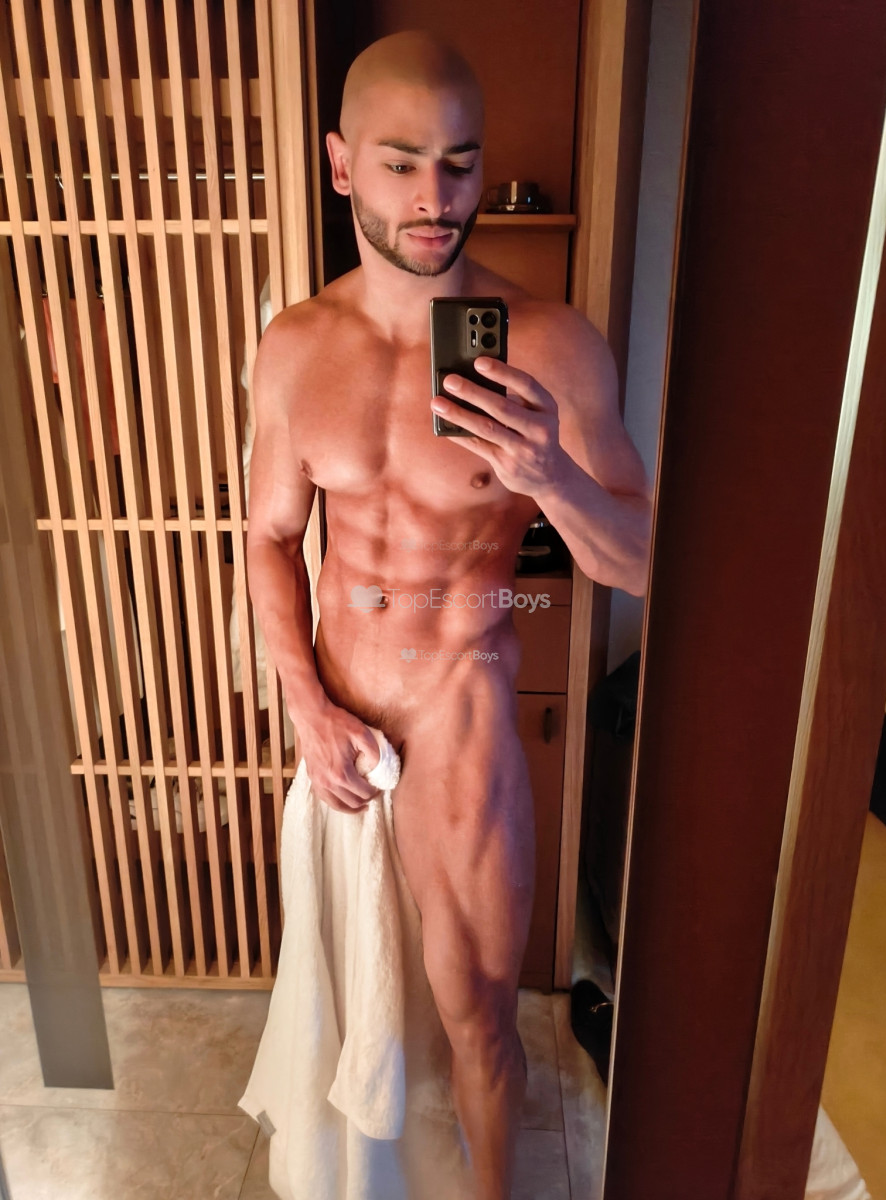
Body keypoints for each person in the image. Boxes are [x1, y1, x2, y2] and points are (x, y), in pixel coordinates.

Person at [246, 29, 652, 1200]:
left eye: (461, 164)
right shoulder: (296, 347)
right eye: (402, 163)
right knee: (349, 991)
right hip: (335, 706)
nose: (437, 198)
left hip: (458, 709)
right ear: (341, 164)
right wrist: (305, 703)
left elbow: (637, 564)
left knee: (478, 1012)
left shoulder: (551, 344)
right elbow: (269, 536)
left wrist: (554, 478)